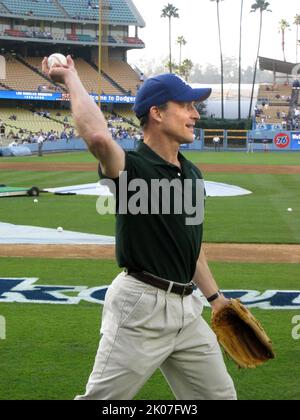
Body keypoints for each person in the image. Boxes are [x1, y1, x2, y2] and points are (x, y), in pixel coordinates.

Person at [42, 56, 236, 401]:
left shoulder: (192, 175)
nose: (195, 114)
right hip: (141, 307)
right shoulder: (132, 168)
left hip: (188, 309)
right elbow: (100, 138)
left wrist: (216, 298)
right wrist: (70, 78)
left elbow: (190, 248)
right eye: (186, 106)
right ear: (157, 113)